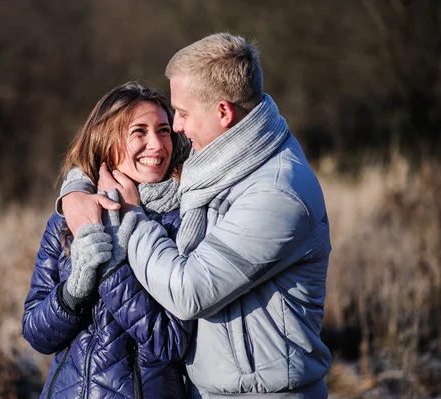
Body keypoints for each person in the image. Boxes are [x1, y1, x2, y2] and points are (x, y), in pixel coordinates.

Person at [59, 33, 332, 397]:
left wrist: (133, 219)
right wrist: (77, 188)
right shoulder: (228, 153)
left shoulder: (276, 193)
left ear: (223, 111)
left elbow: (189, 291)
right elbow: (114, 147)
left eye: (183, 114)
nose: (177, 127)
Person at [22, 81, 194, 399]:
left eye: (164, 130)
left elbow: (170, 341)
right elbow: (36, 334)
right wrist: (76, 289)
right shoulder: (68, 219)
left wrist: (113, 263)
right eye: (139, 132)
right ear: (106, 141)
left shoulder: (185, 219)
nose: (156, 144)